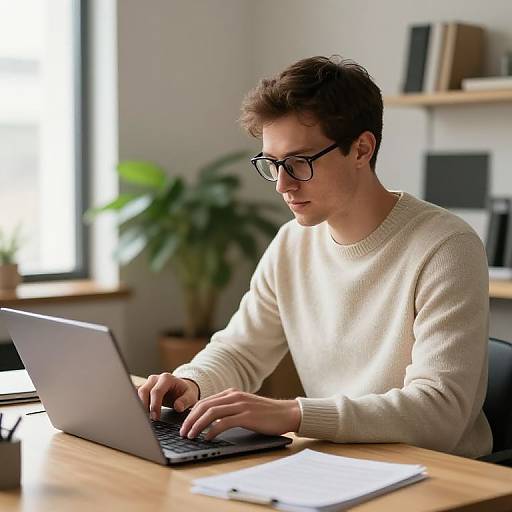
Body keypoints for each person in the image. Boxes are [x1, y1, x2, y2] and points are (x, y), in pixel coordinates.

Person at [138, 55, 492, 458]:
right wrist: (192, 384)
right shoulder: (292, 244)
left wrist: (293, 415)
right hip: (341, 461)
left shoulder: (446, 247)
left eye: (299, 163)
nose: (282, 185)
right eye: (272, 164)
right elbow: (241, 351)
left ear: (361, 149)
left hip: (442, 474)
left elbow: (439, 414)